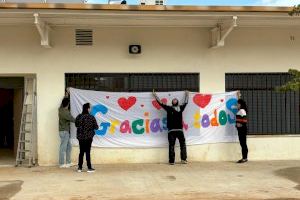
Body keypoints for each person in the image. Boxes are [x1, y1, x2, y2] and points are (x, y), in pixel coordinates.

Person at [152, 90, 189, 165]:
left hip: (178, 130)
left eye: (176, 100)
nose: (175, 100)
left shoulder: (180, 108)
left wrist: (187, 94)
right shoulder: (169, 108)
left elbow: (186, 102)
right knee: (172, 145)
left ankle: (183, 159)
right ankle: (172, 161)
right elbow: (161, 103)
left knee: (182, 144)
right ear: (172, 102)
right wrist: (155, 95)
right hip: (172, 131)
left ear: (177, 102)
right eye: (174, 100)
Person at [75, 103, 99, 173]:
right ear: (88, 109)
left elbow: (76, 125)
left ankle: (79, 167)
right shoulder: (91, 117)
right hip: (88, 137)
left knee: (81, 152)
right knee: (88, 152)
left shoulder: (79, 116)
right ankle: (89, 167)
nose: (91, 109)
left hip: (81, 137)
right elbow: (96, 127)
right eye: (90, 108)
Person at [59, 97, 75, 168]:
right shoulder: (66, 112)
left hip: (63, 131)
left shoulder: (60, 110)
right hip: (64, 131)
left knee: (69, 147)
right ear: (68, 104)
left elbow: (62, 104)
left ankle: (68, 162)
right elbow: (72, 119)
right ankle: (61, 163)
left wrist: (66, 95)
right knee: (63, 147)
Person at [236, 98, 249, 163]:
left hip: (242, 130)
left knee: (243, 143)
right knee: (242, 143)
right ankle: (244, 157)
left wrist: (240, 125)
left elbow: (245, 120)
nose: (237, 105)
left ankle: (244, 158)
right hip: (241, 129)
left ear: (240, 105)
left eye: (238, 104)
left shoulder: (242, 111)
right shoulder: (240, 110)